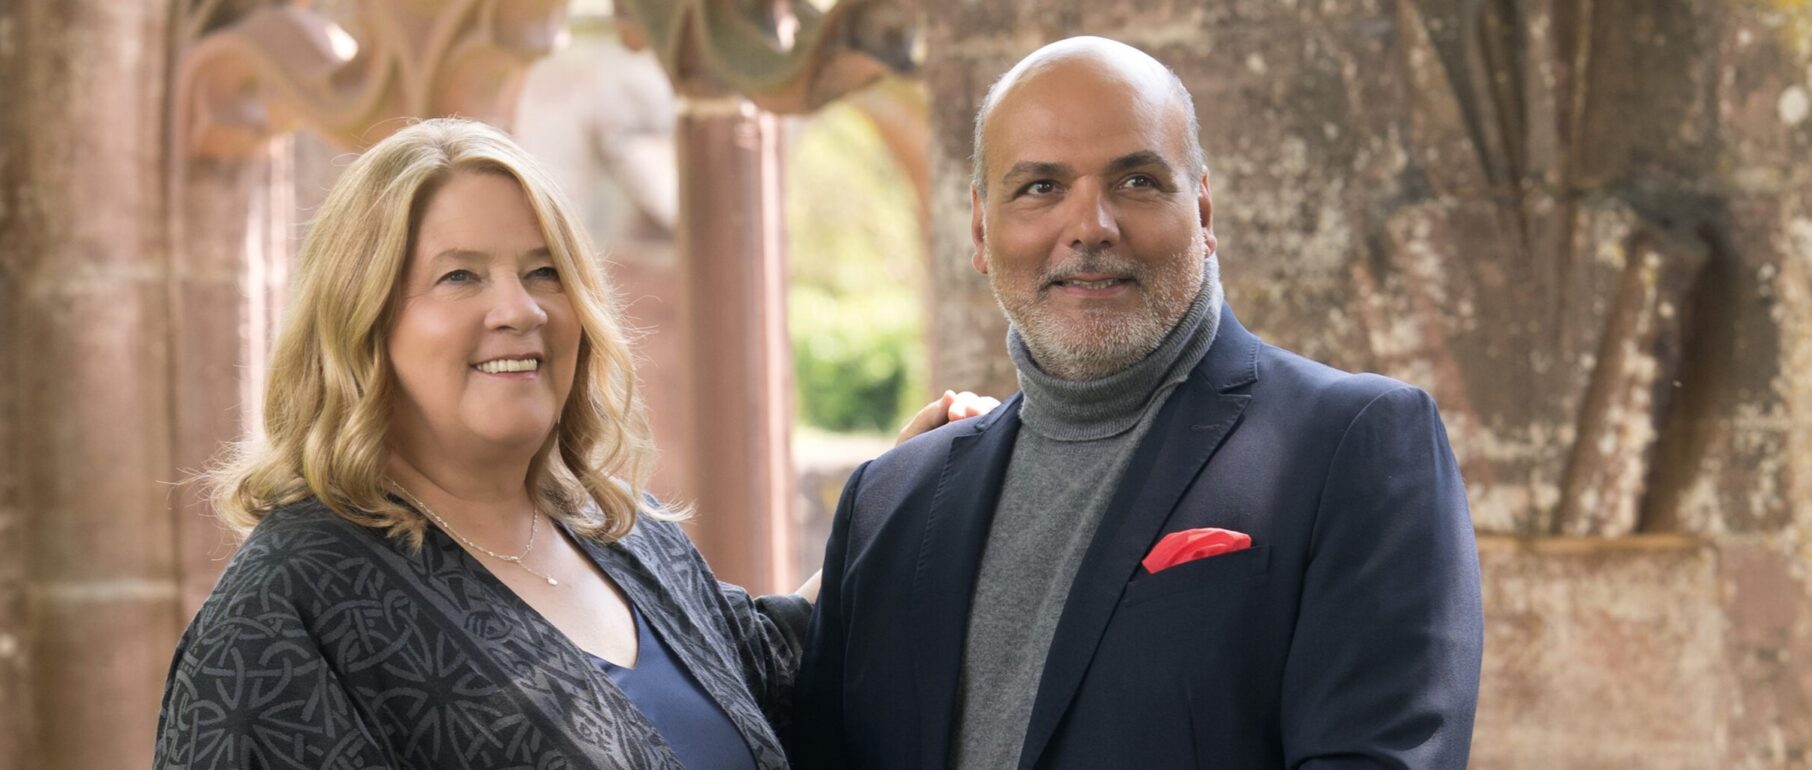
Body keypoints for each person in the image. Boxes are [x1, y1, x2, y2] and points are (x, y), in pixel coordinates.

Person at [152, 118, 985, 769]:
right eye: (460, 275)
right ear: (361, 321)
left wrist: (898, 500)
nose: (520, 309)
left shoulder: (623, 532)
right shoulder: (284, 613)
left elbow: (773, 671)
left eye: (544, 271)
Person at [789, 36, 1485, 769]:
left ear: (1203, 210)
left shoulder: (1354, 445)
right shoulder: (890, 501)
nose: (1091, 226)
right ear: (980, 229)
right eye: (1041, 187)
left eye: (1137, 181)